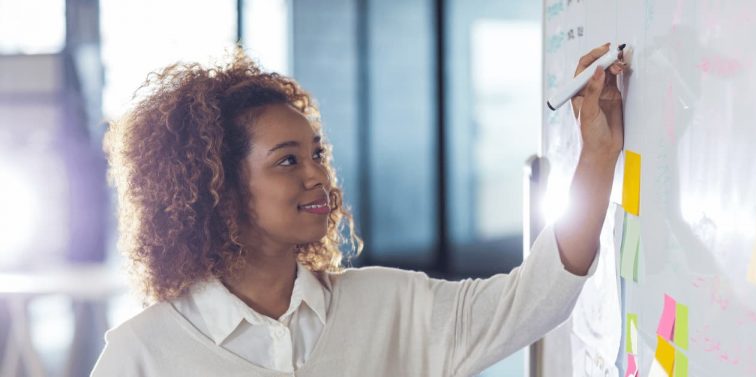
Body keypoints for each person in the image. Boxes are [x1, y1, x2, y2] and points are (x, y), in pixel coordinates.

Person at [91, 43, 626, 377]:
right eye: (287, 161)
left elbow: (535, 297)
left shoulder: (389, 306)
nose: (316, 174)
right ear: (220, 189)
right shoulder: (143, 355)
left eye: (317, 154)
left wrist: (599, 153)